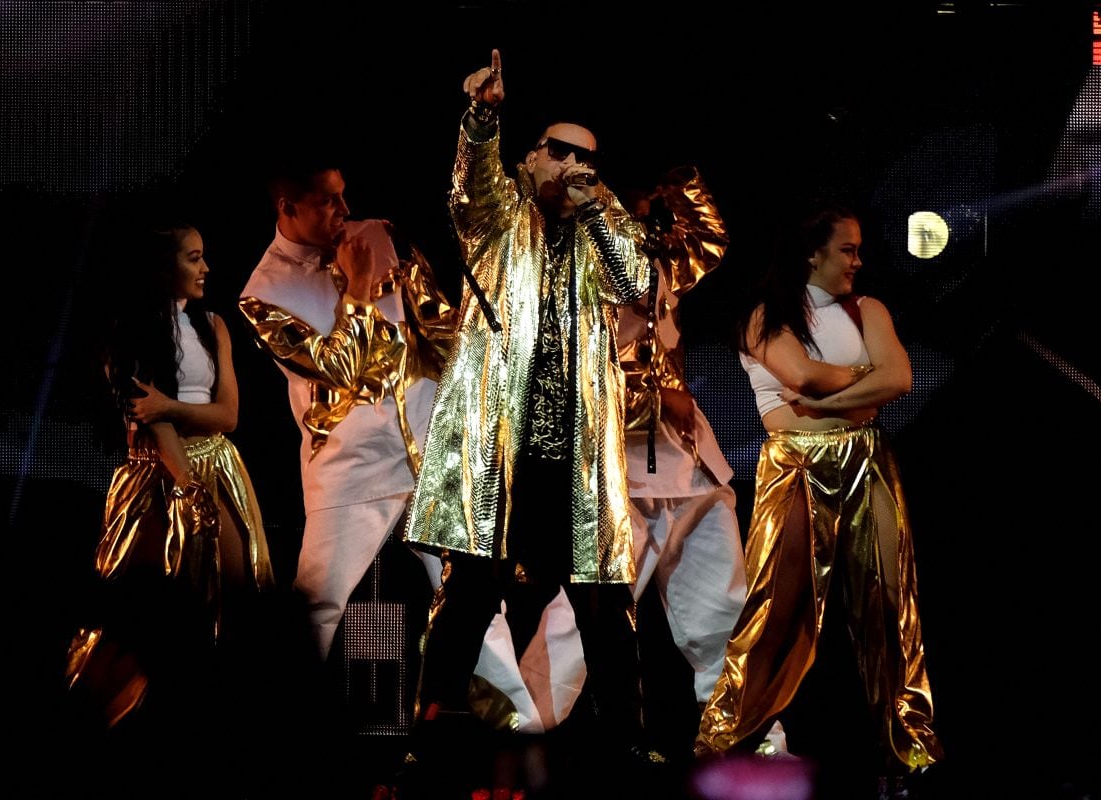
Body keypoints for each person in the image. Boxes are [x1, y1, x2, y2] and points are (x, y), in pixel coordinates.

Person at [399, 48, 659, 789]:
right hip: (502, 454)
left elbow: (636, 280)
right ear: (533, 155)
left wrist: (597, 212)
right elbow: (469, 183)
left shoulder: (595, 231)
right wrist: (481, 117)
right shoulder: (497, 215)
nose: (574, 166)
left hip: (572, 460)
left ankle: (629, 750)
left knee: (606, 607)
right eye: (560, 152)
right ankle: (427, 739)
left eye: (588, 158)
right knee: (468, 596)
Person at [694, 202, 944, 795]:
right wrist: (863, 375)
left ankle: (910, 747)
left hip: (865, 457)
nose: (858, 260)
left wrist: (829, 402)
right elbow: (800, 375)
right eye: (847, 249)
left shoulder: (870, 309)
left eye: (858, 250)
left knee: (888, 601)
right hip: (796, 465)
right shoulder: (764, 317)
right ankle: (728, 734)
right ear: (814, 253)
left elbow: (898, 378)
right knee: (778, 607)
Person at [238, 161, 456, 669]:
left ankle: (517, 720)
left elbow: (440, 328)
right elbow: (338, 370)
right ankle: (287, 714)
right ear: (287, 206)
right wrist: (357, 288)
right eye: (327, 201)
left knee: (465, 594)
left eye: (343, 195)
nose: (344, 210)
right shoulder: (262, 294)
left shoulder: (381, 235)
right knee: (317, 603)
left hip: (429, 443)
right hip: (350, 463)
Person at [65, 222, 275, 730]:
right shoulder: (128, 330)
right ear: (163, 266)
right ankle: (105, 715)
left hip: (217, 463)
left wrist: (169, 405)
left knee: (234, 593)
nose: (205, 269)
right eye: (193, 258)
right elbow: (150, 419)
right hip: (155, 472)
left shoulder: (215, 327)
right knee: (137, 610)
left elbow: (227, 416)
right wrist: (183, 481)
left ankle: (222, 715)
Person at [618, 166, 748, 751]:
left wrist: (680, 180)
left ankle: (742, 735)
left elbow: (710, 240)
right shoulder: (568, 271)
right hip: (624, 467)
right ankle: (523, 736)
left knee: (722, 607)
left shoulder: (653, 257)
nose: (643, 211)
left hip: (690, 461)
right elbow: (572, 371)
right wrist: (652, 393)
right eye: (633, 200)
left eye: (646, 203)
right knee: (577, 631)